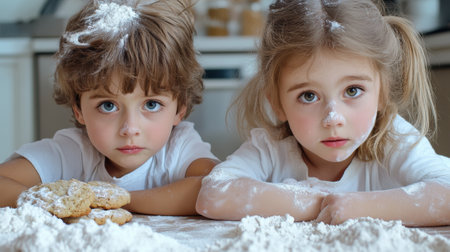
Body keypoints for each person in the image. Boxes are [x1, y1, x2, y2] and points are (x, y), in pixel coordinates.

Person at [196, 0, 450, 226]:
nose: (333, 118)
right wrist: (321, 202)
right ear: (277, 104)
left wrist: (358, 207)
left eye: (353, 90)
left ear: (382, 93)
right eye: (308, 96)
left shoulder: (394, 141)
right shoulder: (270, 148)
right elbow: (214, 193)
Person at [0, 0, 219, 216]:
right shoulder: (74, 151)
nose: (130, 128)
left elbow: (218, 188)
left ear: (180, 108)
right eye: (108, 105)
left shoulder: (180, 148)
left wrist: (119, 201)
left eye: (151, 104)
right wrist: (53, 202)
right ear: (78, 109)